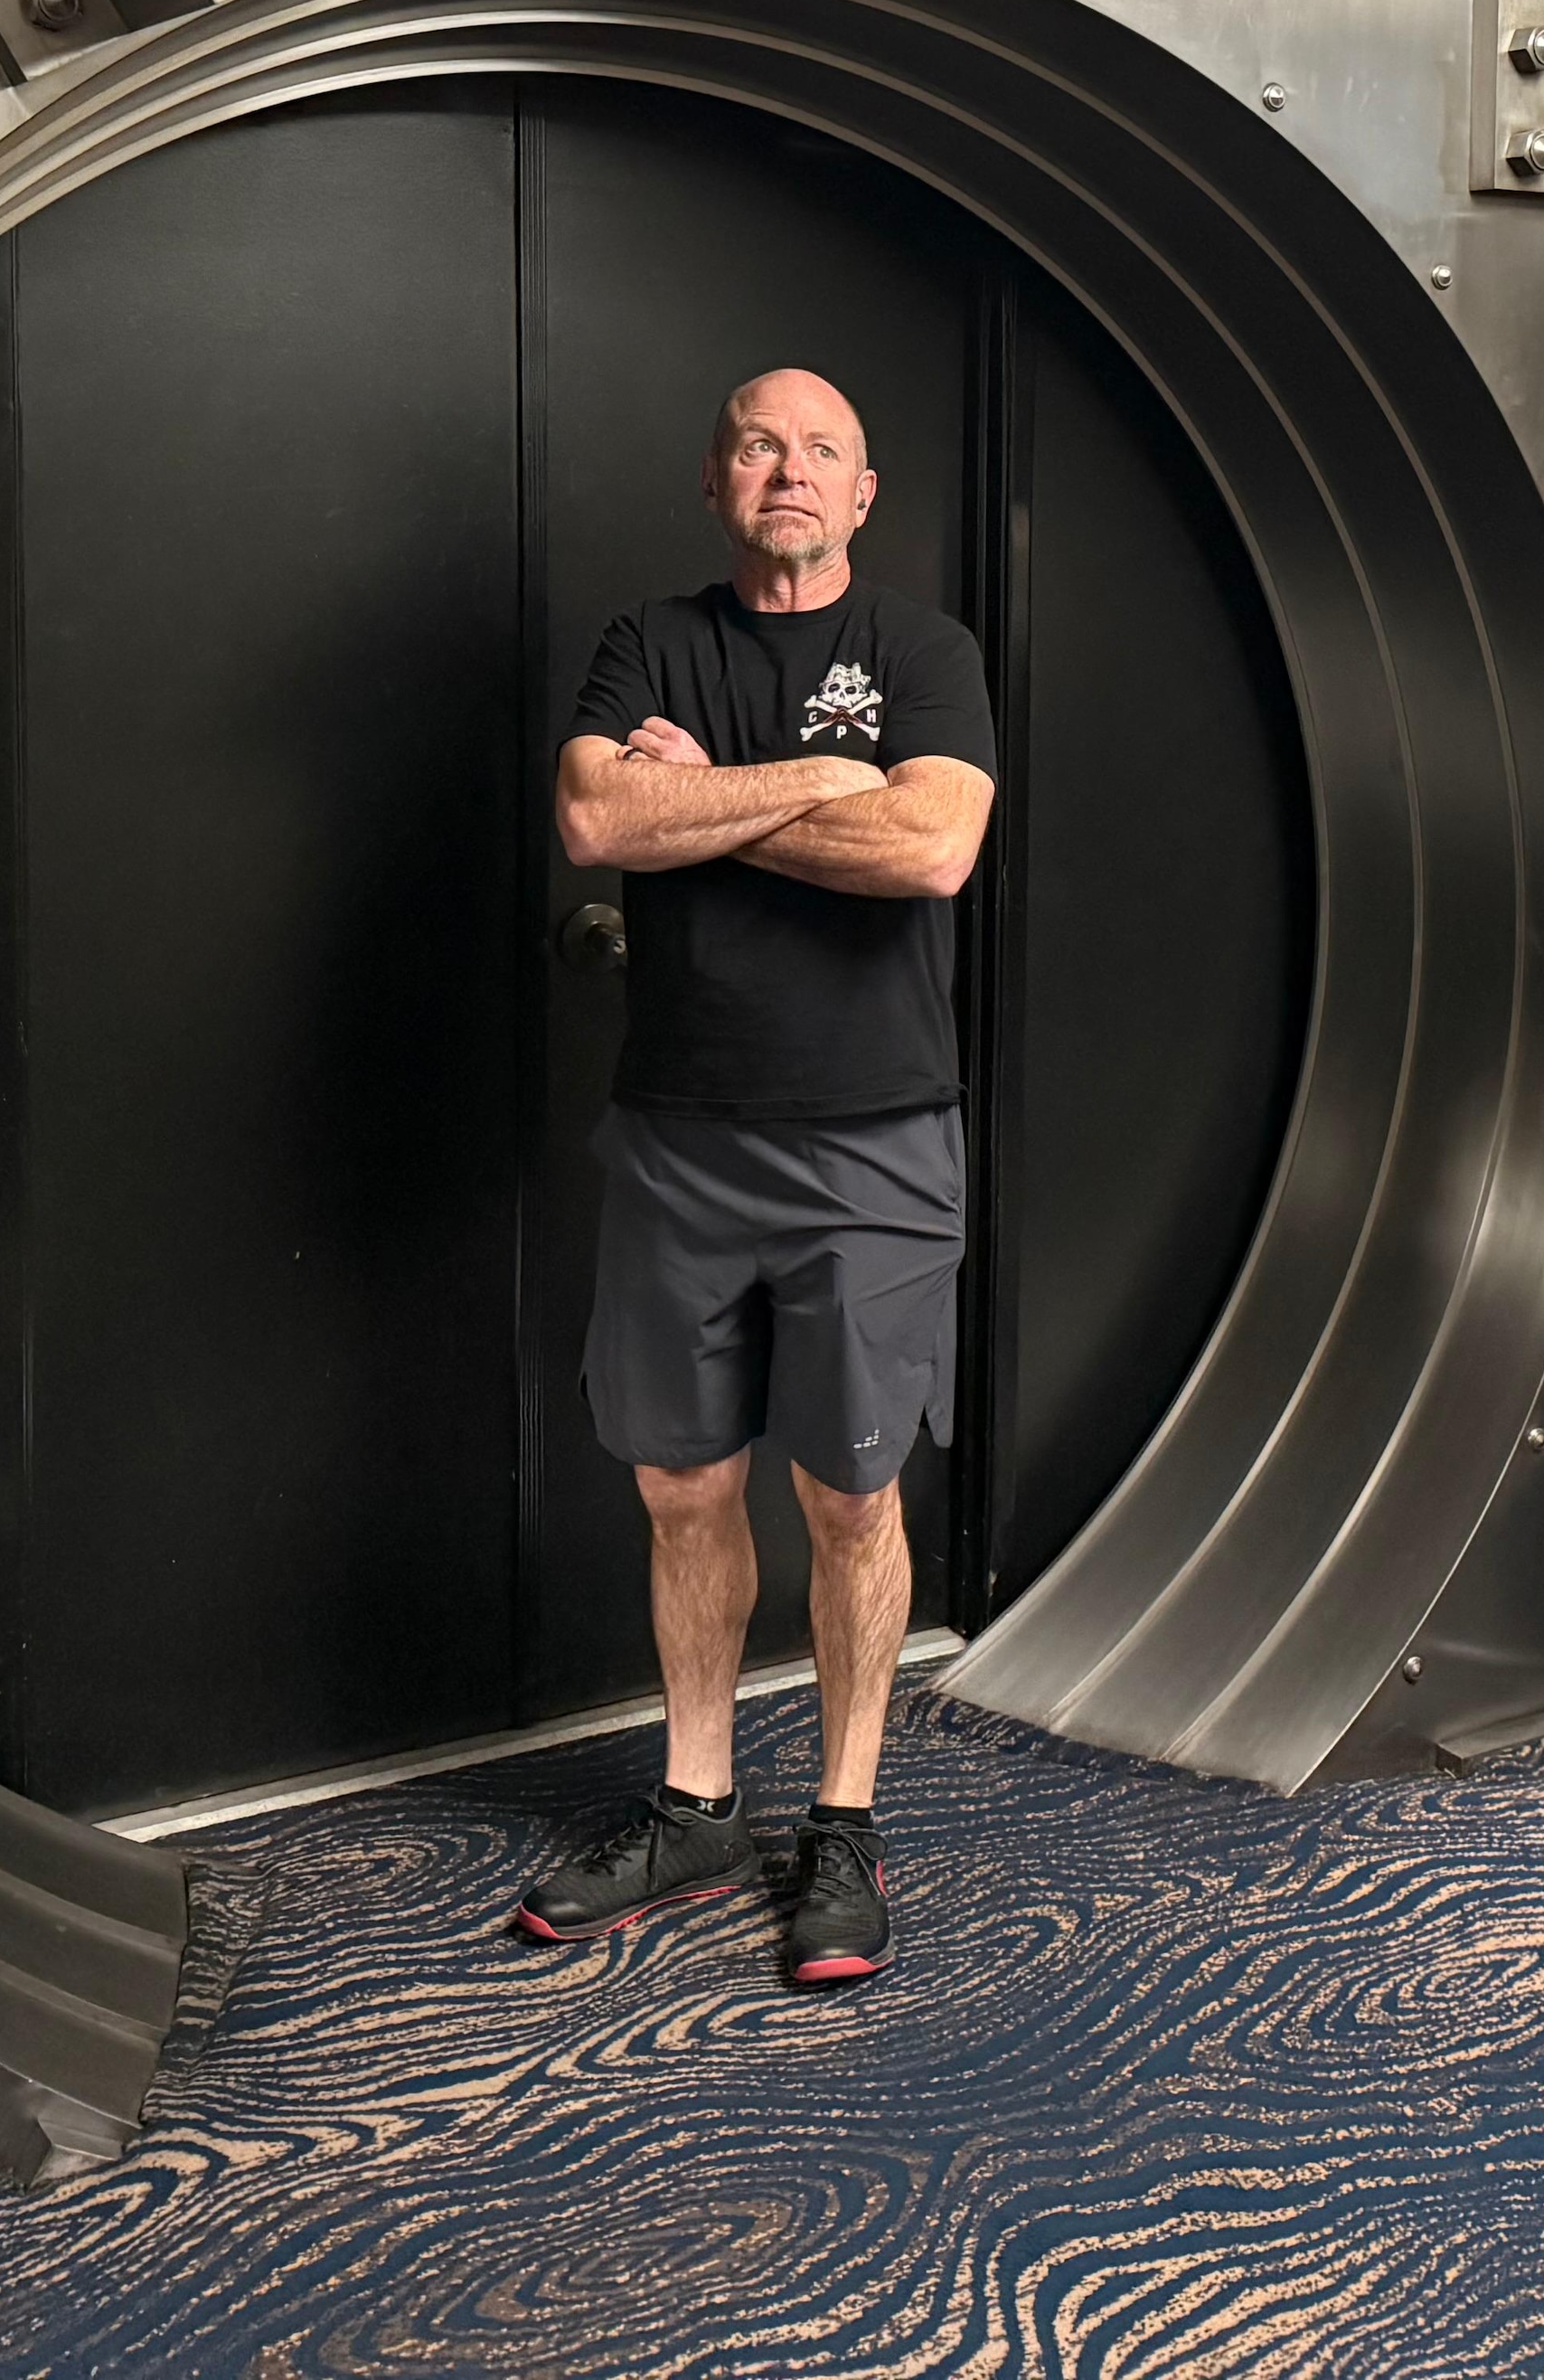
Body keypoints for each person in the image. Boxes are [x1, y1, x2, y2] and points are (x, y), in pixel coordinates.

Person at [515, 365, 994, 1988]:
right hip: (679, 1141)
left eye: (820, 450)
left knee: (851, 1498)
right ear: (717, 479)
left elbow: (930, 847)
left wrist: (705, 792)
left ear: (863, 494)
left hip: (874, 1142)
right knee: (682, 1485)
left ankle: (843, 1823)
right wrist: (818, 781)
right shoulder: (651, 641)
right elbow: (597, 817)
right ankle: (701, 1805)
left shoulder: (925, 654)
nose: (786, 468)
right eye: (757, 444)